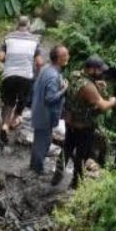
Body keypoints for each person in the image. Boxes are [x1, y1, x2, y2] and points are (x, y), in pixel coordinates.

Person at [53, 56, 116, 189]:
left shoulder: (75, 75)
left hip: (70, 121)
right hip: (83, 126)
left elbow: (79, 92)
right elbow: (103, 106)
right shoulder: (88, 87)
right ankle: (76, 182)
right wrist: (112, 101)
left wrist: (96, 86)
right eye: (99, 70)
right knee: (81, 155)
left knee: (67, 147)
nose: (101, 73)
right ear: (92, 69)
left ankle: (57, 174)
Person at [0, 16, 43, 144]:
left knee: (8, 102)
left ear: (17, 25)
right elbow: (39, 62)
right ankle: (15, 119)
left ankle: (4, 125)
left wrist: (11, 61)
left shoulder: (8, 37)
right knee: (23, 99)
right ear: (29, 26)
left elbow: (1, 57)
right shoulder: (35, 40)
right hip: (26, 76)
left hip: (9, 75)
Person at [30, 44, 69, 175]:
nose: (68, 57)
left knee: (39, 140)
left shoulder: (46, 68)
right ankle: (37, 169)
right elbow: (50, 98)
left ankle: (33, 165)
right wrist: (64, 90)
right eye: (65, 55)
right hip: (45, 115)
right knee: (43, 142)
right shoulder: (53, 75)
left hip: (38, 110)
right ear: (58, 59)